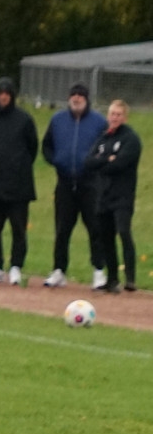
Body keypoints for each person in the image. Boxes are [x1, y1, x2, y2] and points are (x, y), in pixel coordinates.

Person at [41, 83, 108, 289]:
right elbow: (47, 145)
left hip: (90, 183)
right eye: (73, 95)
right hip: (65, 183)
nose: (76, 98)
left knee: (95, 227)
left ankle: (99, 270)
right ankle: (59, 270)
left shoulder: (99, 122)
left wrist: (94, 164)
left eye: (80, 95)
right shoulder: (58, 120)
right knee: (62, 228)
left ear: (86, 99)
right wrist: (56, 161)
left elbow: (106, 149)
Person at [0, 76, 38, 286]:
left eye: (7, 94)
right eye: (0, 94)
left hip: (19, 186)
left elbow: (33, 148)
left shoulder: (25, 120)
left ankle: (16, 267)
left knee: (18, 229)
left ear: (12, 96)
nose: (3, 97)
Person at [85, 99, 142, 294]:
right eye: (112, 114)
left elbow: (119, 164)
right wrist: (106, 159)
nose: (114, 118)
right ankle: (112, 279)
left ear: (125, 117)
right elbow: (88, 162)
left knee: (123, 232)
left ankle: (130, 278)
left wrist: (103, 162)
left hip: (123, 196)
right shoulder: (103, 138)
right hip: (103, 195)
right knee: (105, 237)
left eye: (118, 114)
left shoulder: (131, 139)